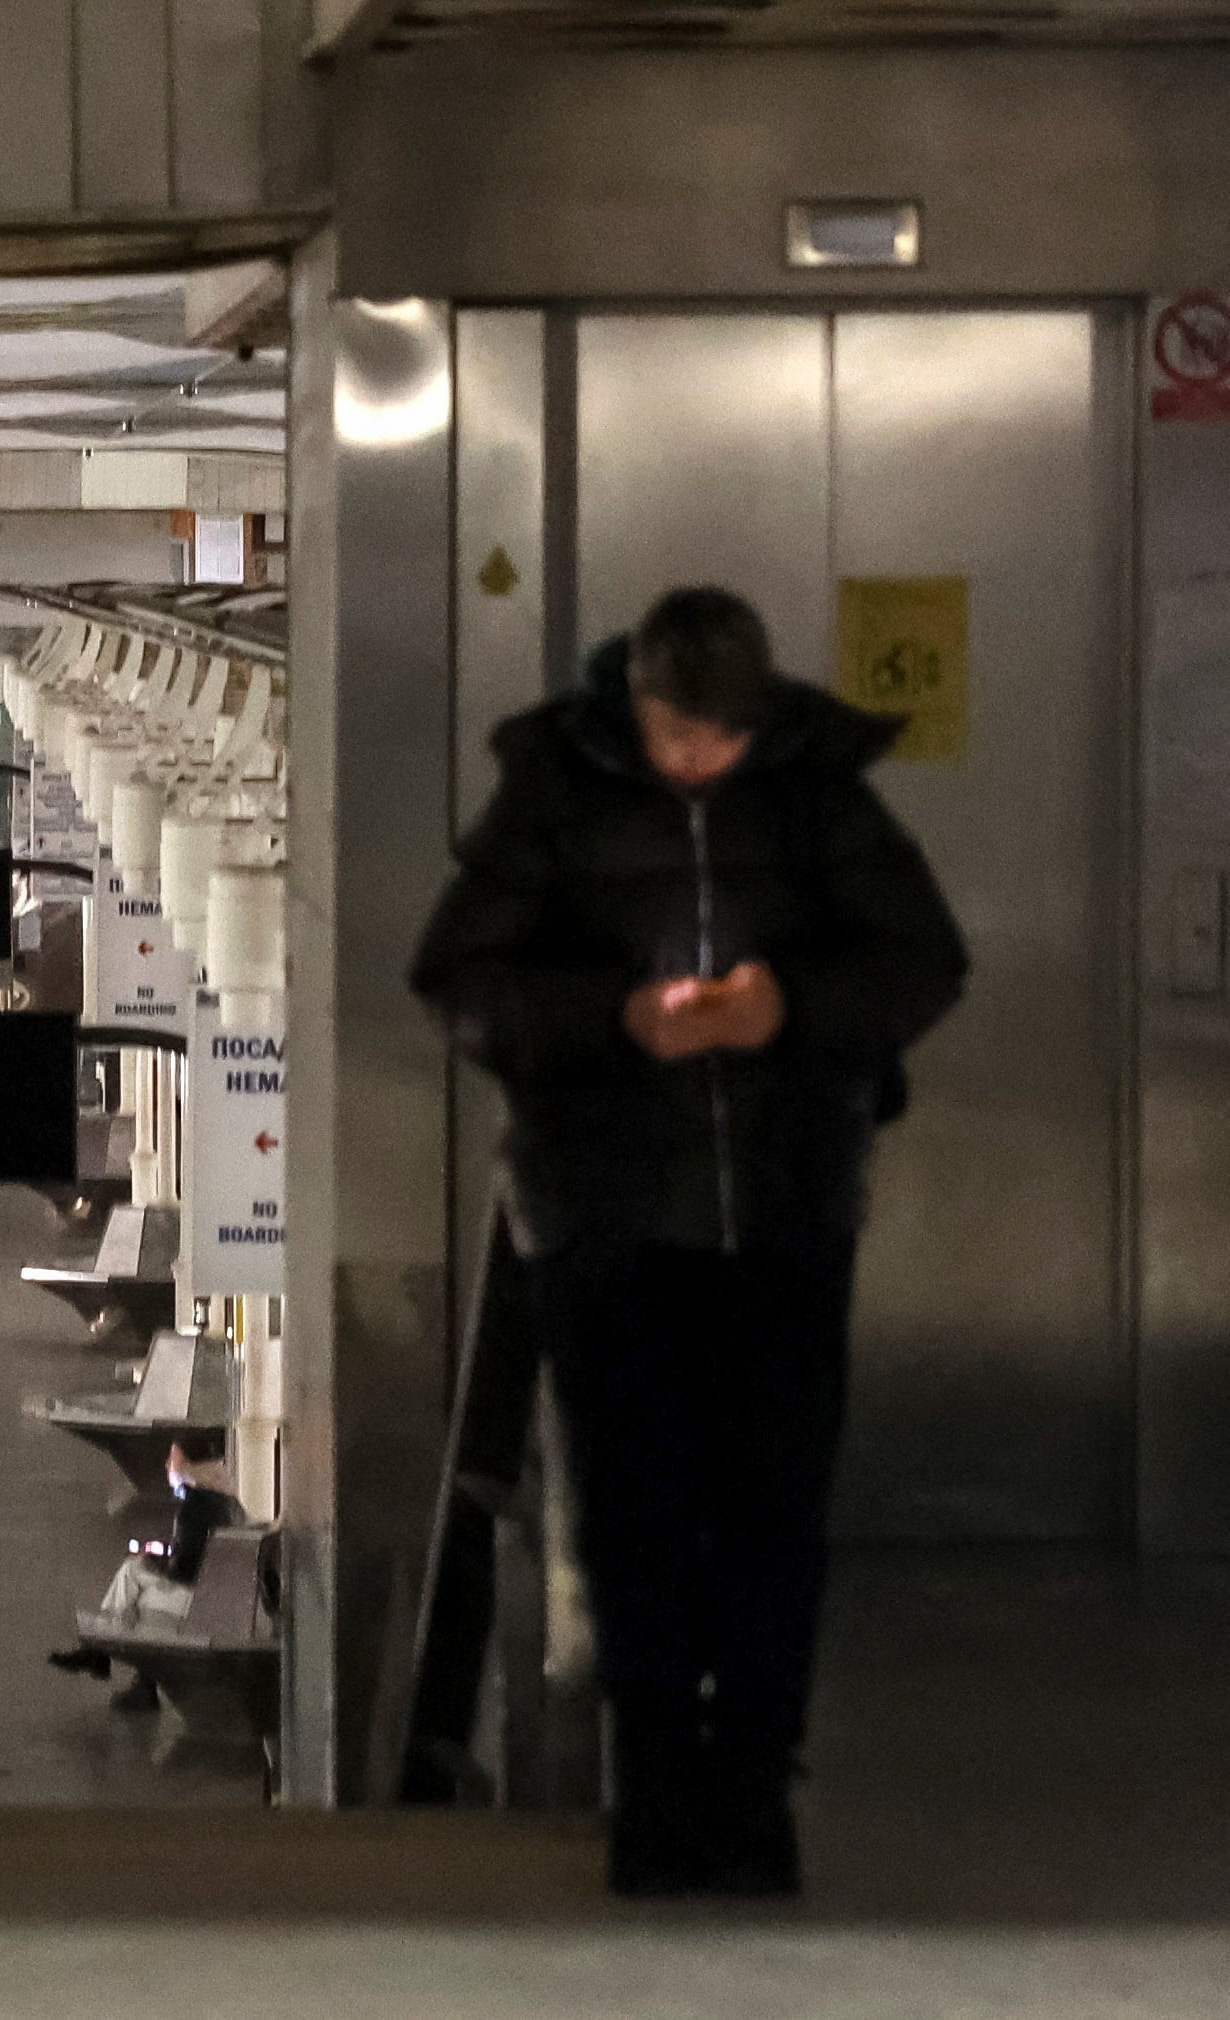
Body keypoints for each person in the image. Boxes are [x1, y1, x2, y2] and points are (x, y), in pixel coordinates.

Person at [409, 585, 967, 1899]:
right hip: (607, 1219)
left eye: (720, 740)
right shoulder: (552, 789)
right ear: (635, 707)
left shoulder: (816, 793)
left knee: (772, 1511)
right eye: (675, 738)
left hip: (783, 1209)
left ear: (757, 718)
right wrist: (616, 1022)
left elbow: (921, 959)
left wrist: (788, 1007)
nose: (696, 764)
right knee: (632, 1514)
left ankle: (750, 1788)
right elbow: (460, 979)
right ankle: (655, 1793)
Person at [48, 1444, 251, 1712]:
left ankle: (101, 1653)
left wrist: (152, 1562)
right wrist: (161, 1556)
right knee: (133, 1579)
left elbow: (183, 1570)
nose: (167, 1465)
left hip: (198, 1601)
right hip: (219, 1594)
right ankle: (112, 1663)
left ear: (190, 1466)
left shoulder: (194, 1509)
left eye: (172, 1459)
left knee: (133, 1580)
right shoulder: (225, 1502)